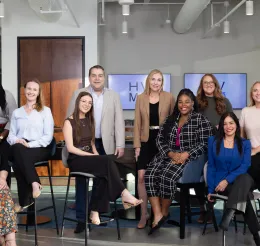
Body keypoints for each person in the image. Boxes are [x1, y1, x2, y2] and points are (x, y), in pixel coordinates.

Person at [63, 91, 142, 226]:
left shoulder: (89, 120)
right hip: (76, 159)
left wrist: (97, 156)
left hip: (88, 158)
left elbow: (92, 143)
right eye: (84, 101)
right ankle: (123, 194)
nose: (87, 104)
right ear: (78, 102)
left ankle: (95, 210)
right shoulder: (68, 122)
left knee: (106, 166)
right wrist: (93, 156)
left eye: (90, 102)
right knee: (106, 163)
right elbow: (70, 148)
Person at [144, 89, 212, 235]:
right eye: (180, 102)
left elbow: (205, 143)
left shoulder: (200, 120)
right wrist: (170, 153)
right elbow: (159, 139)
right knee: (149, 174)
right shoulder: (170, 119)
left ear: (193, 103)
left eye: (187, 101)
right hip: (168, 155)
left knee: (166, 176)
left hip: (188, 159)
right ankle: (157, 214)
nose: (183, 105)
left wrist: (187, 154)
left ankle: (164, 211)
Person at [66, 65, 125, 233]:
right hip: (83, 144)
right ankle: (80, 219)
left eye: (100, 75)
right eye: (94, 75)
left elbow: (119, 120)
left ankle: (95, 212)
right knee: (82, 183)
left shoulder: (113, 95)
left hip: (105, 143)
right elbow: (69, 118)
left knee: (102, 181)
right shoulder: (79, 94)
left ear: (104, 77)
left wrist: (120, 144)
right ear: (89, 77)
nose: (97, 78)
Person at [207, 112, 260, 246]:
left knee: (245, 178)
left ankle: (229, 210)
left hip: (238, 180)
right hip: (222, 184)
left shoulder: (245, 143)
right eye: (225, 124)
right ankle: (257, 235)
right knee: (246, 195)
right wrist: (210, 190)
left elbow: (245, 166)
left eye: (231, 123)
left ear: (236, 125)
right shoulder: (213, 141)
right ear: (221, 126)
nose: (228, 126)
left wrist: (227, 180)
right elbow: (211, 166)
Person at [134, 69, 174, 229]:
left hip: (163, 142)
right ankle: (144, 215)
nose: (156, 82)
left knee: (159, 177)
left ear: (162, 82)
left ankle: (159, 212)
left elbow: (174, 122)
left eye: (159, 80)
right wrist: (137, 145)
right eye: (153, 79)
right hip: (146, 141)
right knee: (142, 177)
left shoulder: (169, 97)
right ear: (148, 81)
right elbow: (137, 122)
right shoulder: (140, 98)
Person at [7, 79, 54, 210]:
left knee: (18, 158)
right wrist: (17, 140)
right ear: (25, 90)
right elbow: (11, 135)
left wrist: (30, 145)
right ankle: (34, 183)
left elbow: (47, 137)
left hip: (39, 147)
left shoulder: (45, 111)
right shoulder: (17, 112)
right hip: (20, 146)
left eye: (34, 89)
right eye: (29, 89)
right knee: (17, 150)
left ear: (38, 93)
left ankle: (24, 201)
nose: (31, 92)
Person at [196, 73, 233, 223]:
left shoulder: (225, 102)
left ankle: (211, 208)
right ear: (201, 85)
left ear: (216, 84)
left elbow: (231, 123)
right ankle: (203, 208)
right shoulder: (197, 103)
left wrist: (221, 128)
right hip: (200, 146)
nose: (209, 84)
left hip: (219, 146)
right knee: (198, 178)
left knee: (211, 176)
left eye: (211, 82)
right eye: (205, 82)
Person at [0, 86, 25, 246]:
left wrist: (2, 176)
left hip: (3, 134)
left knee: (3, 192)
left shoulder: (6, 96)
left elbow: (12, 121)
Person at [240, 82, 260, 190]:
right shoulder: (245, 111)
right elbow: (242, 136)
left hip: (256, 153)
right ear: (251, 94)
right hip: (250, 153)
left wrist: (256, 150)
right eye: (255, 90)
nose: (258, 93)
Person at [0, 85, 17, 186]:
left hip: (6, 131)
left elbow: (13, 119)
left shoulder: (7, 96)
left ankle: (4, 187)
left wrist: (2, 136)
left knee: (4, 150)